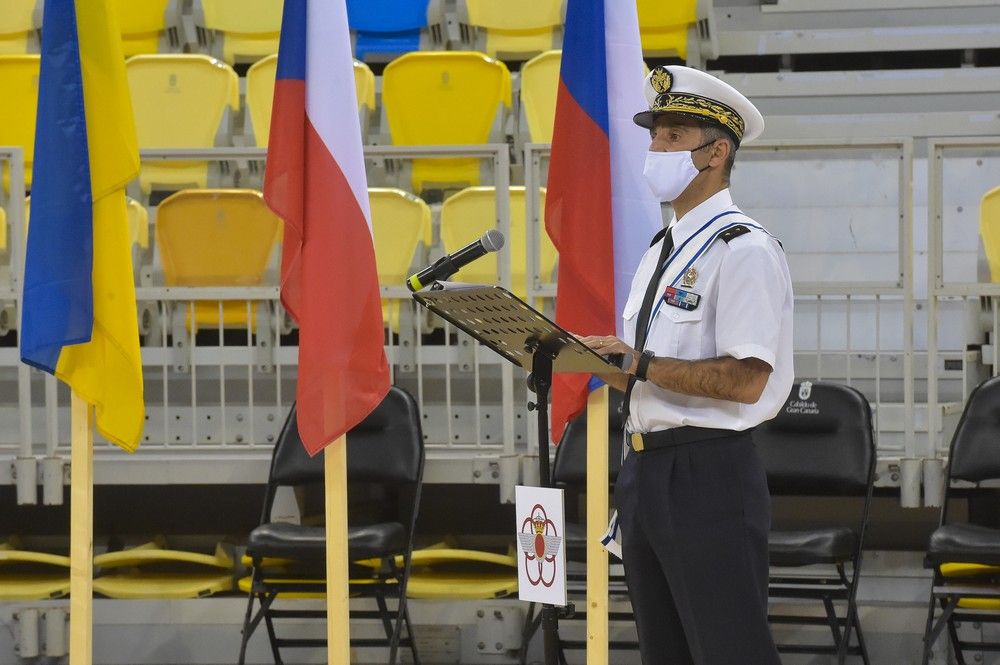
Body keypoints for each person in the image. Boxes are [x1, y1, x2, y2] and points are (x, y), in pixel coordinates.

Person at [580, 65, 794, 665]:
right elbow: (645, 369)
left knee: (728, 649)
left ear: (716, 151)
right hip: (646, 467)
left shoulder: (743, 248)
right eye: (655, 136)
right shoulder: (662, 248)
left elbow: (746, 380)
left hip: (708, 474)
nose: (655, 149)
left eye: (673, 137)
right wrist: (586, 357)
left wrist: (640, 364)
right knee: (665, 652)